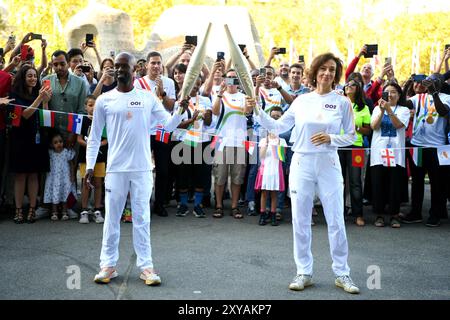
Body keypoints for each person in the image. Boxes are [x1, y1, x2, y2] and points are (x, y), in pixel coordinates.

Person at [246, 52, 360, 294]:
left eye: (332, 69)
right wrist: (256, 110)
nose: (327, 73)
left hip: (328, 164)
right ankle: (304, 272)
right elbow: (278, 126)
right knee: (300, 220)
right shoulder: (301, 101)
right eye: (323, 69)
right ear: (315, 72)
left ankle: (342, 273)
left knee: (336, 219)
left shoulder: (342, 102)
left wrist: (332, 138)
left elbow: (351, 136)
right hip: (302, 163)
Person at [86, 52, 185, 285]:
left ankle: (147, 267)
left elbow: (168, 125)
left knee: (142, 218)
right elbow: (93, 137)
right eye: (117, 67)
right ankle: (108, 265)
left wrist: (180, 109)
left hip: (141, 168)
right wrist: (90, 166)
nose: (120, 70)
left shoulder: (148, 97)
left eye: (125, 67)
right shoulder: (104, 100)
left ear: (134, 70)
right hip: (115, 169)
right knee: (112, 218)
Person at [402, 74, 450, 227]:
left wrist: (434, 93)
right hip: (418, 145)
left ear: (441, 83)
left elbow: (443, 112)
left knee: (437, 183)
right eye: (430, 80)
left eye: (435, 80)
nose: (431, 82)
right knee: (417, 181)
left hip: (436, 147)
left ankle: (435, 214)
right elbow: (403, 103)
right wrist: (408, 83)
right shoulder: (419, 97)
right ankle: (415, 212)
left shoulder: (446, 97)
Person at [133, 51, 176, 217]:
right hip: (143, 131)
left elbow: (171, 107)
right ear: (146, 65)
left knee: (163, 170)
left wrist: (162, 92)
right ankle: (142, 202)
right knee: (143, 169)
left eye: (159, 63)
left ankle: (159, 203)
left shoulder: (169, 82)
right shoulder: (138, 83)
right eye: (153, 63)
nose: (156, 66)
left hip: (162, 130)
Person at [9, 65, 51, 223]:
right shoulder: (14, 95)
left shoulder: (40, 93)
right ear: (23, 78)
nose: (33, 79)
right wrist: (40, 99)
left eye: (35, 76)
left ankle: (32, 209)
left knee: (34, 174)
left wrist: (46, 102)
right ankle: (18, 210)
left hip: (37, 137)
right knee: (20, 175)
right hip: (20, 138)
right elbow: (24, 115)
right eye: (29, 76)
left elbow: (46, 118)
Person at [370, 82, 410, 228]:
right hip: (378, 152)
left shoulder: (404, 110)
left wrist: (389, 110)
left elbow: (399, 125)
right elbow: (374, 126)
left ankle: (394, 215)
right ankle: (379, 215)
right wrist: (382, 111)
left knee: (395, 184)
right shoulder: (376, 109)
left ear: (399, 95)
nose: (391, 95)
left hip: (396, 152)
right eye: (387, 92)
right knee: (379, 183)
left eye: (394, 92)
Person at [173, 77, 212, 217]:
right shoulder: (181, 102)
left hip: (202, 141)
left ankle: (198, 205)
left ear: (200, 84)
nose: (195, 86)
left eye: (197, 83)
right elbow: (175, 124)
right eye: (192, 83)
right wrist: (192, 120)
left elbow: (208, 122)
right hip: (185, 141)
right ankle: (183, 204)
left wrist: (207, 115)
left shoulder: (206, 100)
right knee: (183, 175)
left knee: (200, 174)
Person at [212, 69, 248, 219]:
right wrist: (220, 93)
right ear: (225, 79)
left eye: (235, 78)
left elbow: (247, 111)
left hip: (239, 142)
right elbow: (215, 112)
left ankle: (234, 206)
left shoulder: (244, 96)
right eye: (230, 77)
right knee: (220, 176)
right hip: (222, 142)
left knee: (237, 176)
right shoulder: (219, 94)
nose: (232, 80)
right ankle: (219, 205)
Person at [338, 79, 371, 226]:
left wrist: (355, 128)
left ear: (357, 89)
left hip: (356, 147)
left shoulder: (363, 108)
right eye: (347, 85)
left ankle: (358, 214)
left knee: (355, 181)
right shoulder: (339, 103)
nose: (347, 87)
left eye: (351, 85)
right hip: (338, 146)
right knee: (339, 181)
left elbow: (367, 129)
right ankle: (340, 213)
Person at [77, 95, 106, 224]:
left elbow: (106, 139)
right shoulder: (82, 120)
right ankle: (84, 210)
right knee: (86, 183)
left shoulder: (103, 120)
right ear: (85, 107)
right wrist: (90, 145)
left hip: (100, 157)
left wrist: (97, 145)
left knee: (99, 183)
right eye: (90, 105)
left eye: (95, 105)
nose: (93, 108)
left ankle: (97, 209)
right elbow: (79, 139)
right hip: (85, 157)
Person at [254, 107, 286, 226]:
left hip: (276, 170)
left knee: (274, 193)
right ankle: (263, 214)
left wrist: (277, 145)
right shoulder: (263, 141)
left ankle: (273, 214)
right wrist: (266, 144)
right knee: (264, 193)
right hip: (265, 170)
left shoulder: (282, 141)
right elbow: (261, 156)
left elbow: (281, 157)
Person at [44, 133, 76, 221]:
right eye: (55, 142)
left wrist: (72, 175)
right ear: (51, 145)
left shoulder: (66, 152)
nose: (59, 144)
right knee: (55, 194)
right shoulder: (50, 153)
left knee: (64, 194)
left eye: (60, 142)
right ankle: (54, 212)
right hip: (54, 179)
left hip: (64, 178)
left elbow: (71, 164)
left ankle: (64, 211)